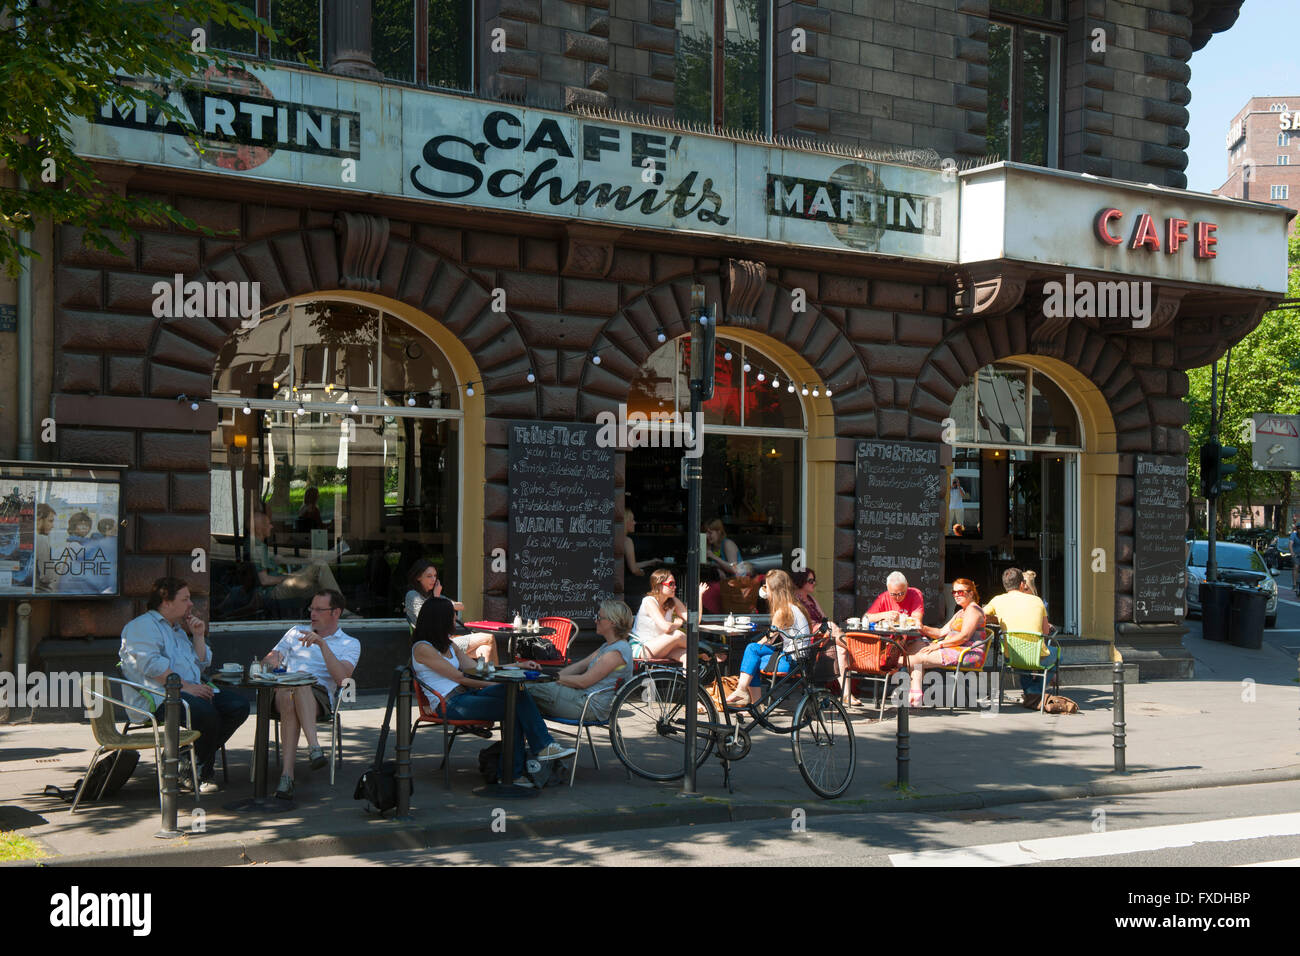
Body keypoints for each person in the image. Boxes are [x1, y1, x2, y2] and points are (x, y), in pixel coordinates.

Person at [410, 596, 575, 786]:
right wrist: (502, 684)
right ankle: (525, 762)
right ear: (439, 619)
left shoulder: (449, 645)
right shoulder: (422, 648)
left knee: (517, 694)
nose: (455, 619)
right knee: (513, 701)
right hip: (448, 703)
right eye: (452, 616)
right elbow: (460, 677)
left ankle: (525, 762)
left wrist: (516, 666)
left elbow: (478, 670)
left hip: (465, 696)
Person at [119, 577, 250, 793]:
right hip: (158, 697)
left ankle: (182, 758)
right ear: (166, 602)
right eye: (186, 599)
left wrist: (198, 636)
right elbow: (152, 666)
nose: (191, 604)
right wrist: (187, 688)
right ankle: (195, 771)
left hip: (188, 689)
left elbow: (199, 665)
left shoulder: (177, 629)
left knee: (237, 706)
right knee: (206, 713)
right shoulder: (141, 627)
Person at [261, 589, 361, 799]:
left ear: (336, 613)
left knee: (300, 684)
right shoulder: (295, 632)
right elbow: (266, 662)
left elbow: (343, 680)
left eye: (318, 609)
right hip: (282, 691)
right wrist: (274, 662)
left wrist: (322, 645)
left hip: (318, 697)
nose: (312, 613)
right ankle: (314, 747)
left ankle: (287, 776)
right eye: (311, 608)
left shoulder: (350, 643)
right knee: (294, 684)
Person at [524, 600, 634, 721]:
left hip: (589, 706)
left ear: (612, 622)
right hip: (582, 698)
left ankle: (538, 738)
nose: (595, 620)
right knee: (522, 689)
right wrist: (550, 676)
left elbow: (583, 681)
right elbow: (580, 665)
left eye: (599, 617)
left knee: (523, 689)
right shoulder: (608, 646)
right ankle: (535, 738)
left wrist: (549, 678)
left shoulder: (616, 652)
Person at [726, 569, 810, 707]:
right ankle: (754, 703)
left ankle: (745, 694)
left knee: (752, 652)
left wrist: (754, 647)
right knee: (753, 656)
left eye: (766, 586)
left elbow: (769, 639)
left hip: (791, 662)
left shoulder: (783, 611)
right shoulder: (796, 607)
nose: (764, 590)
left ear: (774, 590)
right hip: (801, 659)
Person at [901, 578, 986, 708]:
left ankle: (887, 662)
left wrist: (939, 645)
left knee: (917, 658)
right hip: (954, 649)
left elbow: (964, 636)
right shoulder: (961, 611)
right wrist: (921, 627)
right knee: (916, 651)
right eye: (954, 592)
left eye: (960, 592)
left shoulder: (973, 610)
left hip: (967, 653)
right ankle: (916, 694)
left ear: (971, 593)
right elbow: (941, 632)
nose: (956, 595)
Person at [984, 567, 1056, 707]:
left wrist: (997, 619)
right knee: (1057, 654)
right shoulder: (1037, 601)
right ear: (1022, 584)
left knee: (1022, 659)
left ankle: (1031, 693)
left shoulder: (997, 600)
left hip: (1011, 656)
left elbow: (980, 615)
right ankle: (1034, 692)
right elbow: (1046, 631)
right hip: (1035, 656)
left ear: (1005, 585)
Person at [404, 559, 497, 664]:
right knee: (489, 637)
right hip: (432, 645)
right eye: (429, 576)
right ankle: (494, 678)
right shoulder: (412, 595)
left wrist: (441, 601)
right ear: (418, 577)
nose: (433, 579)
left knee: (485, 649)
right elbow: (426, 618)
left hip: (446, 641)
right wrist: (437, 598)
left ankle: (485, 679)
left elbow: (461, 606)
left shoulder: (434, 595)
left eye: (435, 576)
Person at [250, 510, 345, 609]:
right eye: (269, 524)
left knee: (318, 585)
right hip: (273, 591)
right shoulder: (257, 548)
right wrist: (288, 577)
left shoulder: (259, 545)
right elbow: (264, 580)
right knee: (320, 566)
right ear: (259, 528)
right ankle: (341, 609)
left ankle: (324, 612)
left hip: (278, 586)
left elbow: (280, 559)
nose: (271, 526)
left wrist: (309, 561)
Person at [630, 568, 689, 663]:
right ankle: (704, 650)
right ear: (659, 586)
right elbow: (666, 627)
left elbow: (694, 620)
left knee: (688, 657)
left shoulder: (672, 601)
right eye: (671, 584)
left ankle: (684, 677)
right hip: (642, 648)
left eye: (674, 583)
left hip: (661, 647)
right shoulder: (649, 601)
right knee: (677, 635)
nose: (675, 587)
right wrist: (677, 624)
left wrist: (699, 596)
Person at [623, 508, 661, 578]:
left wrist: (650, 562)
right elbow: (634, 570)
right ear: (625, 522)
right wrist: (645, 574)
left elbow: (632, 564)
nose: (635, 522)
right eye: (632, 520)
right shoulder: (626, 541)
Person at [33, 503, 56, 592]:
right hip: (40, 592)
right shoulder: (41, 540)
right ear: (39, 520)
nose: (52, 526)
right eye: (50, 521)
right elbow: (47, 576)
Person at [1291, 523, 1300, 593]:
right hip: (1296, 554)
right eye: (1299, 528)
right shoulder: (1293, 535)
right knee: (1296, 566)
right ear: (1297, 529)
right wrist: (1292, 552)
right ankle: (1294, 584)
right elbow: (1290, 544)